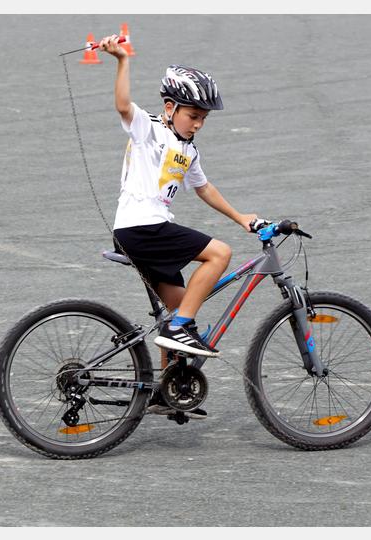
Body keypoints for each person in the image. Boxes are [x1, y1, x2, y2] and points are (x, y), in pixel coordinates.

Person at [98, 35, 257, 416]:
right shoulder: (149, 129)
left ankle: (165, 392)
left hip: (148, 231)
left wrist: (243, 218)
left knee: (179, 309)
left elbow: (204, 188)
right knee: (219, 254)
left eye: (203, 118)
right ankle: (177, 329)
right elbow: (122, 105)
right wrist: (122, 61)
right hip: (141, 227)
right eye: (193, 115)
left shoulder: (188, 149)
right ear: (169, 108)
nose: (199, 124)